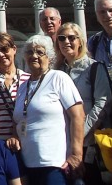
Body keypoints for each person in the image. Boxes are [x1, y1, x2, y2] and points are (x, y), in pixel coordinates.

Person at [10, 34, 84, 185]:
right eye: (30, 52)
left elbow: (78, 115)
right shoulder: (23, 86)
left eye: (39, 52)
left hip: (53, 163)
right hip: (26, 163)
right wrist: (14, 136)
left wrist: (76, 154)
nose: (34, 56)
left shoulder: (58, 78)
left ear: (49, 56)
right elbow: (19, 120)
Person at [55, 22, 112, 184]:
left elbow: (103, 103)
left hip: (87, 142)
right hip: (63, 143)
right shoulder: (57, 72)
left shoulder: (94, 67)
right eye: (61, 38)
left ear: (80, 41)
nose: (66, 41)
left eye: (71, 38)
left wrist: (80, 132)